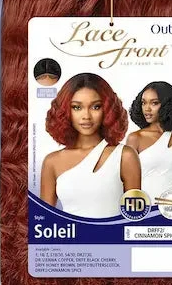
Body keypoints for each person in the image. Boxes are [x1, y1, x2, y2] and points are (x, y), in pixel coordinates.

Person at [40, 73, 141, 217]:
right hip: (68, 232)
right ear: (65, 111)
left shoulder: (125, 156)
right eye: (77, 107)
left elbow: (135, 216)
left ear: (107, 109)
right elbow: (44, 219)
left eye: (95, 107)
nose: (86, 116)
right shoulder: (52, 162)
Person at [126, 82, 172, 202]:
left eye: (154, 103)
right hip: (148, 207)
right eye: (143, 103)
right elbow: (128, 183)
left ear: (169, 105)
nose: (147, 108)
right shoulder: (135, 138)